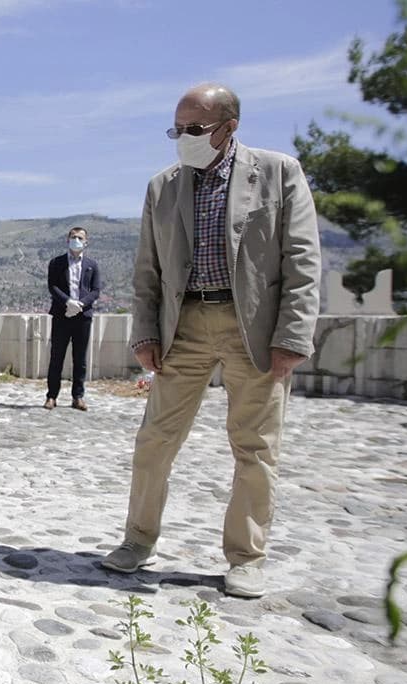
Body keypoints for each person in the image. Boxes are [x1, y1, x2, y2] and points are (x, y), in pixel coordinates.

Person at [100, 82, 321, 600]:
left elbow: (303, 262)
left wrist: (292, 337)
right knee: (155, 440)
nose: (183, 138)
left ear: (229, 128)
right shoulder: (164, 186)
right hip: (187, 326)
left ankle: (246, 557)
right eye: (176, 129)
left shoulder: (278, 172)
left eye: (194, 129)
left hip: (256, 331)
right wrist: (146, 332)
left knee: (256, 447)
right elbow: (147, 270)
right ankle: (137, 540)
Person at [44, 226, 102, 411]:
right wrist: (68, 302)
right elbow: (52, 286)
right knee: (57, 357)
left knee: (80, 358)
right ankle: (52, 396)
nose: (76, 240)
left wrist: (80, 305)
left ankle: (78, 397)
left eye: (80, 237)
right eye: (73, 237)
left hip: (83, 317)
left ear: (86, 242)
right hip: (62, 315)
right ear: (67, 240)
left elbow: (95, 290)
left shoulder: (92, 265)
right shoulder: (56, 263)